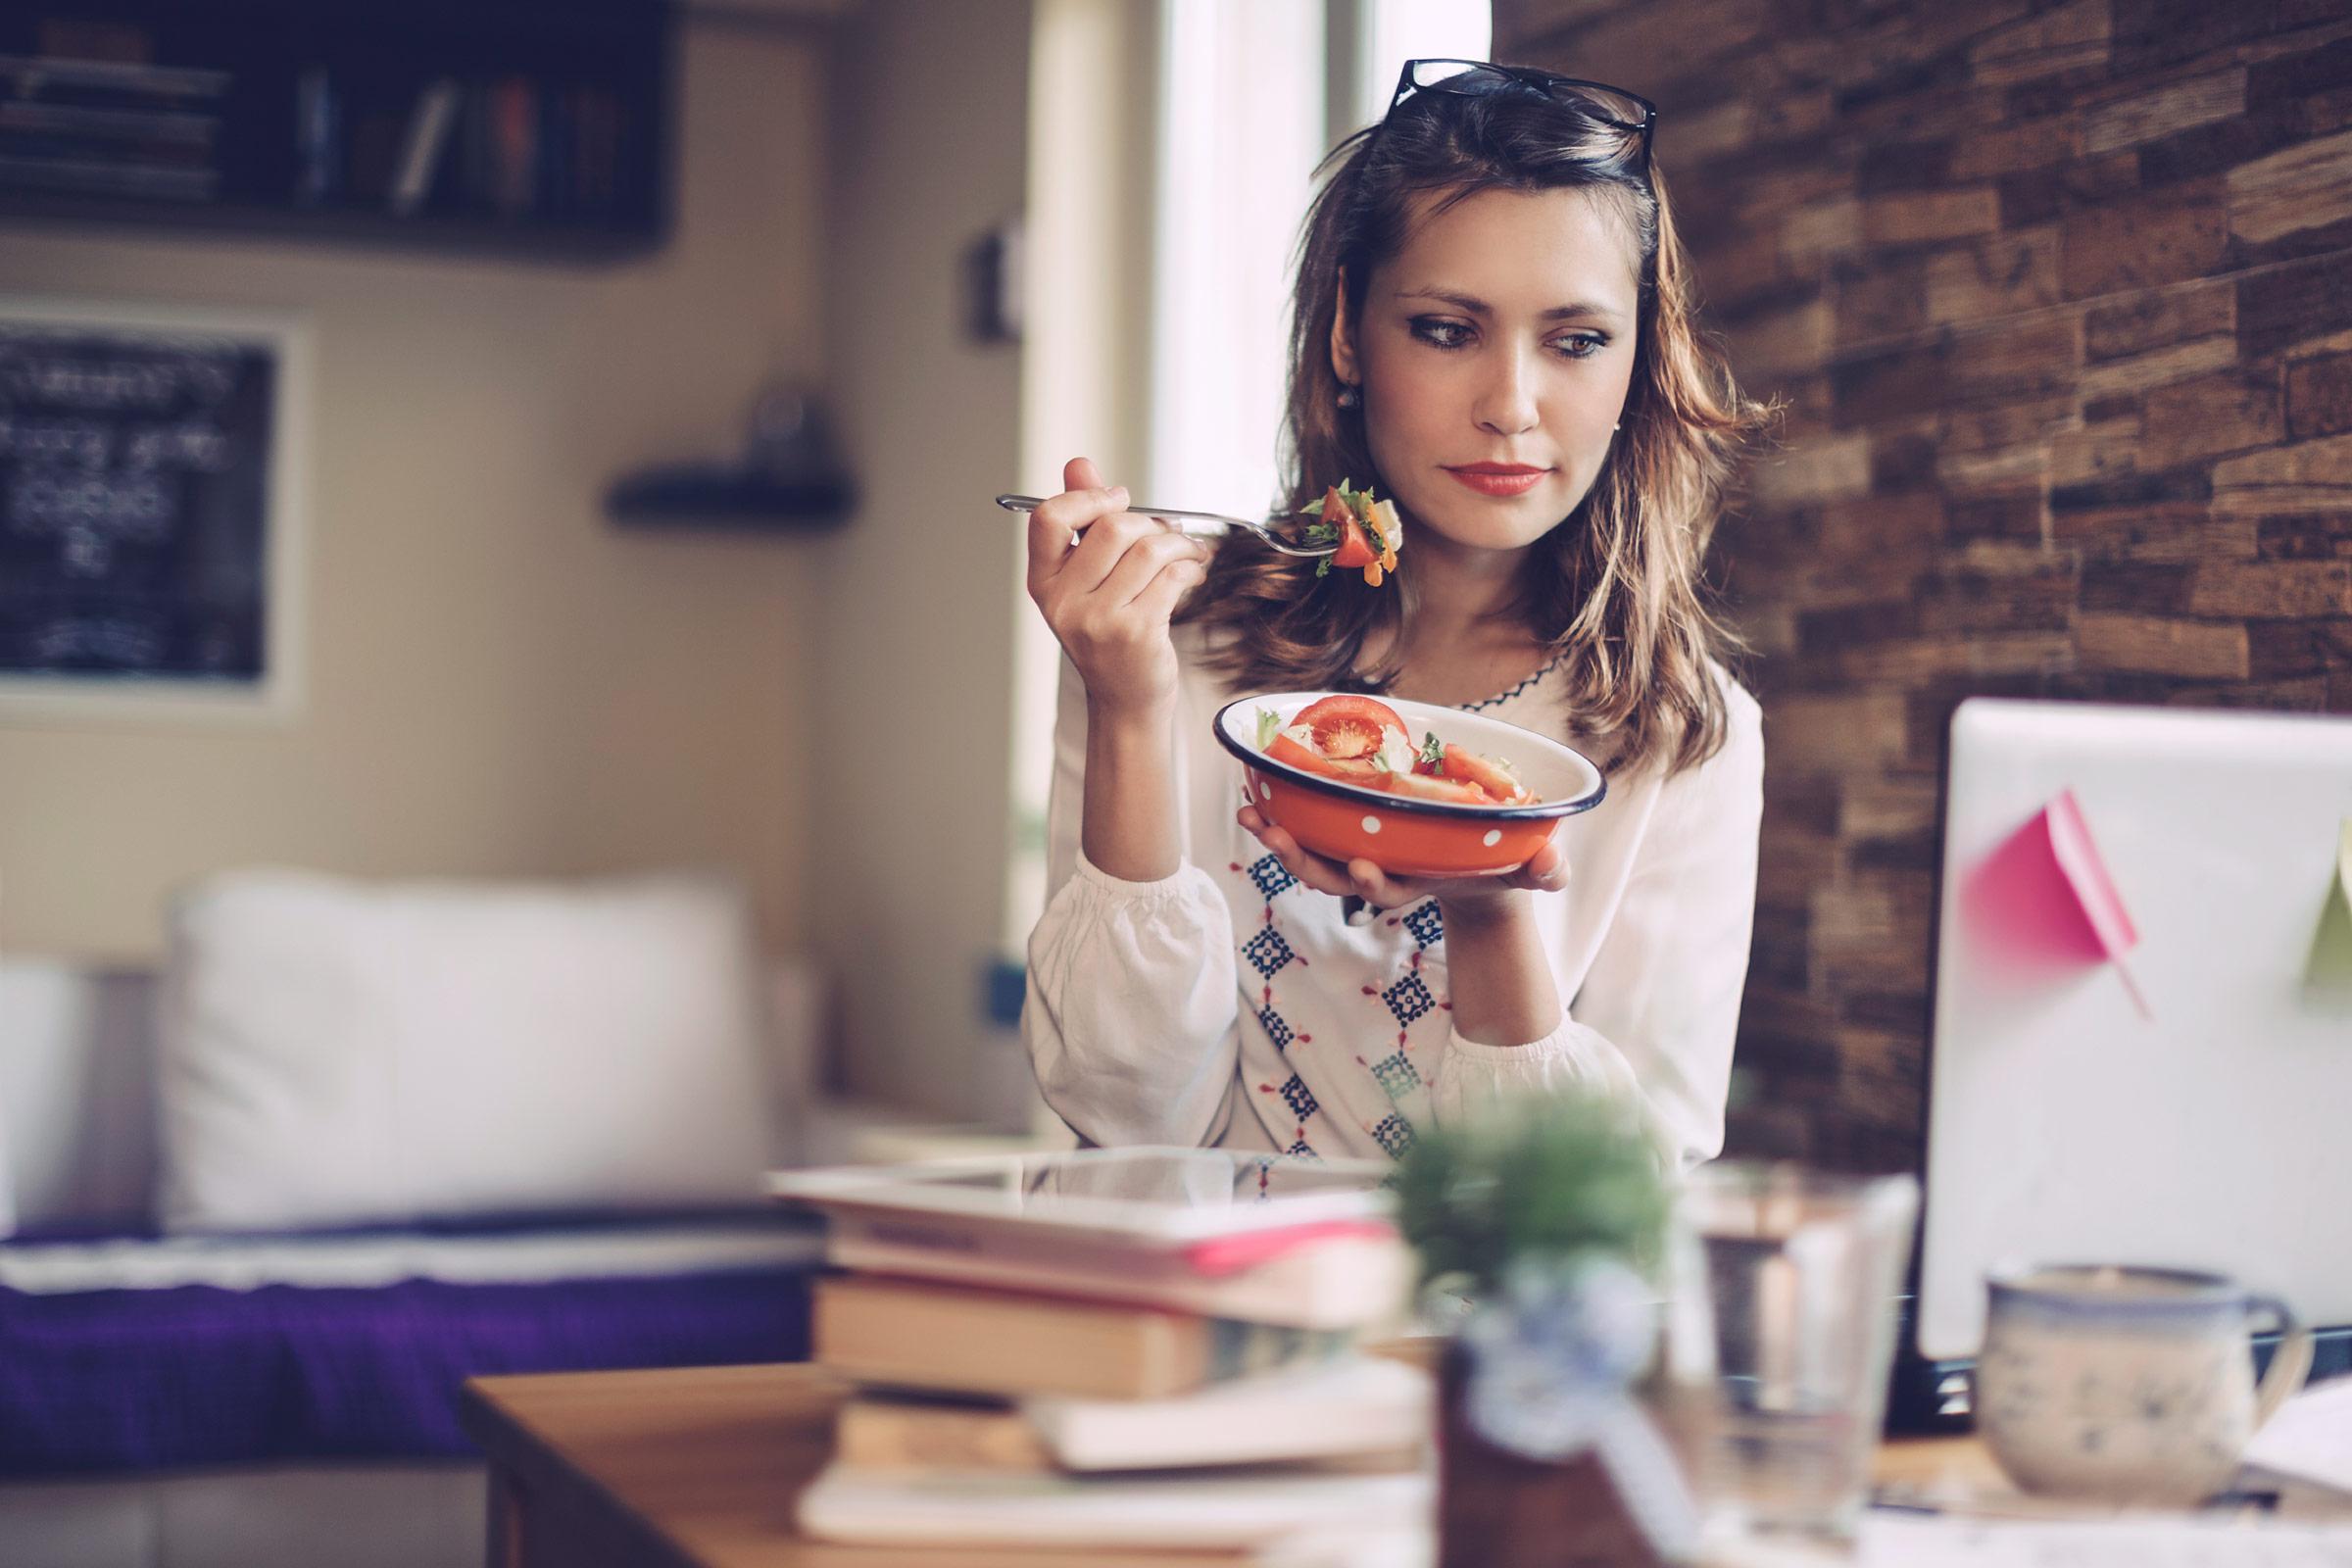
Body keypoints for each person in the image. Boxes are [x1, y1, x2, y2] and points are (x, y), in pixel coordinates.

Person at [1020, 61, 1768, 1170]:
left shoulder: (1682, 731)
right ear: (1346, 339)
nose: (1511, 405)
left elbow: (1615, 1200)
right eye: (1446, 329)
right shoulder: (1173, 647)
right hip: (1198, 1323)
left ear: (1634, 371)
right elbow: (1127, 1118)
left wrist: (1489, 908)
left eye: (1576, 341)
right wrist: (1129, 710)